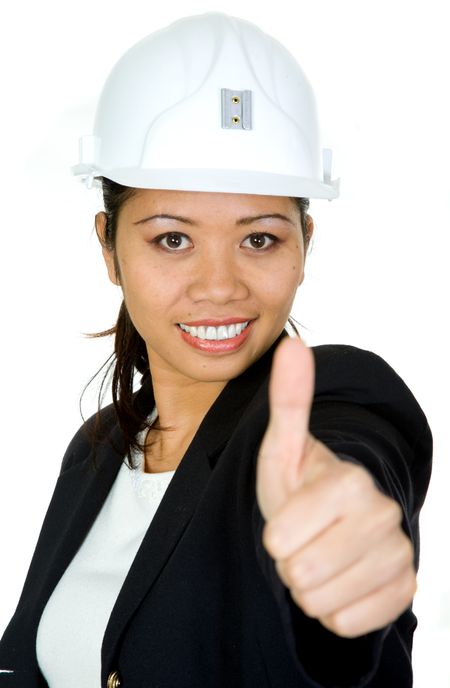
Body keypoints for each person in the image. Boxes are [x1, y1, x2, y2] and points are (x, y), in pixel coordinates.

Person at [0, 11, 432, 688]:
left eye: (259, 238)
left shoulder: (338, 403)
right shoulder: (97, 450)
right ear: (108, 247)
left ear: (304, 244)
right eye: (173, 239)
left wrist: (344, 554)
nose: (220, 286)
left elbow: (354, 464)